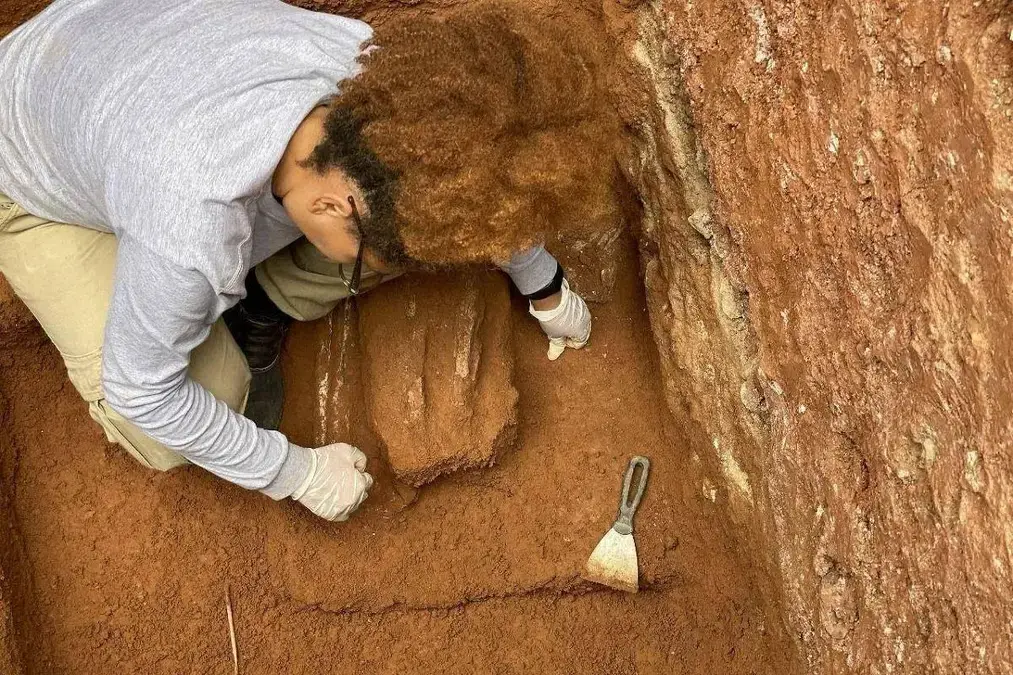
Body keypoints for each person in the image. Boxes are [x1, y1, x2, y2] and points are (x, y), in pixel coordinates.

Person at [0, 0, 599, 522]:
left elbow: (464, 167)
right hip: (28, 170)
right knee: (198, 404)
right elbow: (141, 391)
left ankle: (260, 305)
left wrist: (539, 278)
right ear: (333, 204)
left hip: (118, 49)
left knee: (404, 235)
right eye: (371, 257)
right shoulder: (189, 225)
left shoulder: (369, 81)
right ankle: (219, 308)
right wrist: (293, 473)